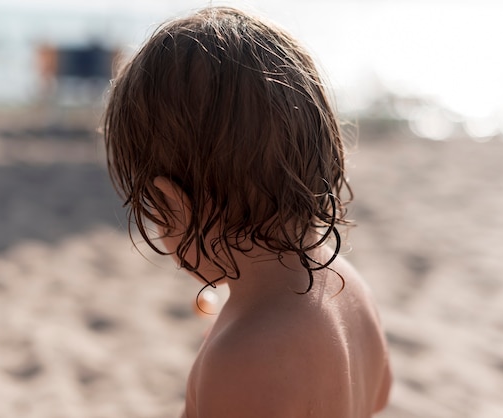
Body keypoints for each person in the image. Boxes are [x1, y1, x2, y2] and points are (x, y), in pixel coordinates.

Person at [103, 6, 391, 417]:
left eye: (152, 208)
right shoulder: (349, 286)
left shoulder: (242, 358)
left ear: (172, 201)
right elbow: (375, 398)